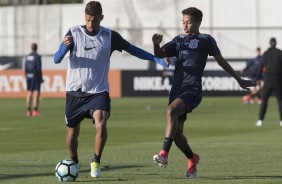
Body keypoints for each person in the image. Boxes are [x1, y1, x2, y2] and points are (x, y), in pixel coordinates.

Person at [53, 1, 168, 178]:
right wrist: (63, 47)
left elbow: (132, 49)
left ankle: (96, 160)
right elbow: (56, 59)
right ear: (85, 17)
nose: (91, 24)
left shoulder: (109, 36)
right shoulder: (74, 32)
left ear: (102, 18)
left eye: (95, 21)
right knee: (72, 133)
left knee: (101, 123)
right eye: (88, 20)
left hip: (98, 92)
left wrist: (156, 59)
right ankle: (74, 162)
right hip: (75, 92)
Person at [151, 7, 256, 178]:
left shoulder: (206, 40)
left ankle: (164, 154)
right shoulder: (178, 40)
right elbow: (160, 53)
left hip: (192, 90)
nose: (185, 26)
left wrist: (238, 79)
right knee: (177, 135)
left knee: (171, 111)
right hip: (176, 91)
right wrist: (156, 44)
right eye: (183, 22)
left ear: (199, 23)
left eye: (189, 22)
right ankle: (192, 158)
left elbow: (221, 61)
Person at [255, 37, 282, 127]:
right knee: (280, 101)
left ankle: (260, 120)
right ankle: (281, 121)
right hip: (278, 80)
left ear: (269, 43)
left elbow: (259, 66)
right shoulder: (280, 53)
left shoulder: (266, 54)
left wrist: (258, 78)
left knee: (264, 101)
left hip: (268, 80)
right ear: (276, 43)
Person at [25, 43, 43, 117]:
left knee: (29, 93)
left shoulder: (28, 56)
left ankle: (28, 111)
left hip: (29, 76)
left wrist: (26, 75)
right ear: (36, 48)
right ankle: (35, 110)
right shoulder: (37, 56)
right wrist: (41, 78)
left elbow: (26, 67)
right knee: (36, 93)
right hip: (35, 76)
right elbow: (39, 68)